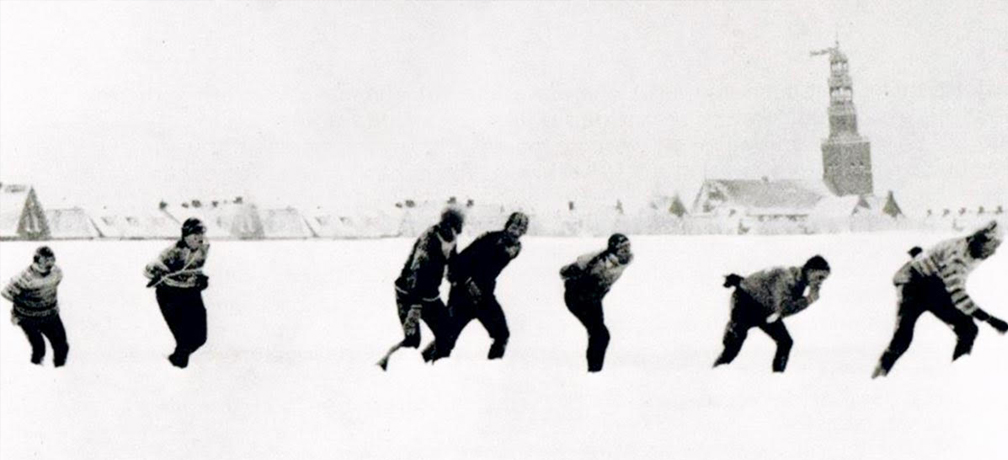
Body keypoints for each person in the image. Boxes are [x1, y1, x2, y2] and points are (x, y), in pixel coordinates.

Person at [873, 220, 1006, 378]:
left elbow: (936, 259)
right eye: (994, 246)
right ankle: (878, 376)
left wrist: (920, 257)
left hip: (933, 285)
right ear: (983, 241)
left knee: (968, 329)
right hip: (912, 283)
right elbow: (958, 295)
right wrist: (990, 320)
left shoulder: (967, 246)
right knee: (903, 337)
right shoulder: (958, 258)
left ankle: (957, 374)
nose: (993, 253)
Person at [422, 212, 529, 362]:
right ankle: (422, 364)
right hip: (462, 296)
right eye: (513, 227)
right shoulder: (489, 239)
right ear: (507, 226)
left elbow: (489, 272)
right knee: (446, 339)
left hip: (484, 298)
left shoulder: (516, 248)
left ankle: (494, 368)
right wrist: (467, 283)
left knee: (501, 334)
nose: (516, 232)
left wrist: (482, 289)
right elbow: (459, 264)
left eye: (520, 229)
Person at [377, 207, 464, 371]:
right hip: (409, 294)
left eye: (453, 228)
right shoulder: (429, 239)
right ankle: (382, 367)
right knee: (412, 341)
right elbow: (415, 274)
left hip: (430, 294)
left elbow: (453, 263)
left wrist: (458, 277)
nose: (449, 230)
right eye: (445, 225)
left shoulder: (452, 238)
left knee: (447, 334)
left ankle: (431, 367)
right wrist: (415, 308)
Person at [714, 255, 831, 373]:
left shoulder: (800, 281)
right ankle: (714, 372)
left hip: (764, 306)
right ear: (810, 271)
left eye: (823, 279)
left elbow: (783, 308)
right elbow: (784, 308)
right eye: (819, 277)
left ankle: (777, 378)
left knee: (785, 342)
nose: (820, 282)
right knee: (732, 348)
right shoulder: (788, 278)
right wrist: (808, 300)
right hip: (745, 302)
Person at [559, 234, 633, 372]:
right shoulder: (599, 259)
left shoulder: (626, 260)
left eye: (628, 247)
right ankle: (594, 372)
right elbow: (565, 272)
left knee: (599, 334)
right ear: (613, 250)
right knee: (601, 334)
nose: (626, 251)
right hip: (577, 297)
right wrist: (573, 271)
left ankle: (594, 370)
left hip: (594, 298)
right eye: (622, 248)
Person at [145, 218, 211, 369]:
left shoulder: (204, 248)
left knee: (200, 338)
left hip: (191, 293)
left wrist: (200, 279)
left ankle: (174, 362)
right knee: (185, 341)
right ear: (185, 236)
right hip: (170, 295)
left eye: (201, 235)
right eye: (195, 236)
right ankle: (171, 370)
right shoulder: (173, 252)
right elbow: (148, 270)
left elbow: (196, 269)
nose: (200, 239)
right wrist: (160, 274)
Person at [2, 246, 69, 367]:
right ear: (36, 261)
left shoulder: (56, 272)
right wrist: (25, 304)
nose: (48, 266)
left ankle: (60, 372)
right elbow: (6, 292)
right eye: (45, 262)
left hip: (50, 315)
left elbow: (54, 283)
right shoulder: (25, 277)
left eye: (51, 262)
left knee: (61, 345)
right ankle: (36, 374)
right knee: (39, 348)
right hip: (28, 318)